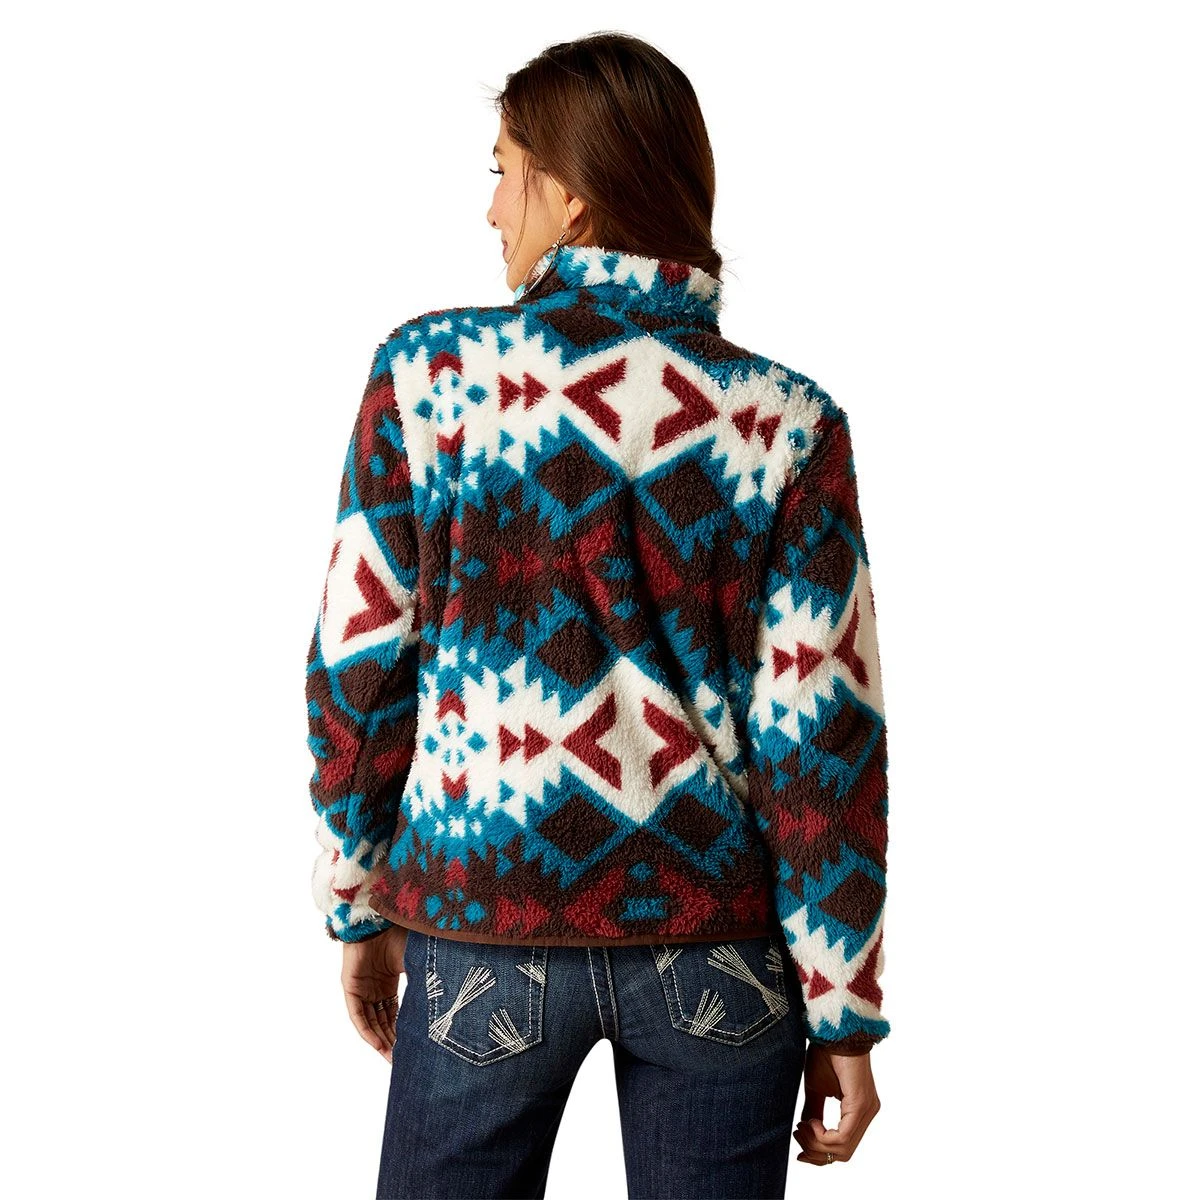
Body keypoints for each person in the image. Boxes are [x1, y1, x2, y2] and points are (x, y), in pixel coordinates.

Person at [304, 31, 891, 1200]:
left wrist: (357, 900)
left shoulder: (431, 378)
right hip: (720, 951)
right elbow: (822, 735)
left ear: (570, 195)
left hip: (483, 924)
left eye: (503, 171)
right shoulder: (785, 423)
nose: (491, 209)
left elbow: (358, 670)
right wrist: (844, 1006)